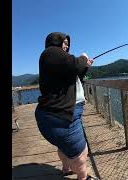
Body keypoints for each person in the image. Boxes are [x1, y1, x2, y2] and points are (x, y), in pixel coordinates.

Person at [35, 32, 96, 180]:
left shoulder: (56, 61)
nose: (66, 46)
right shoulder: (50, 52)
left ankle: (66, 168)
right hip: (65, 116)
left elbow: (76, 74)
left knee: (63, 147)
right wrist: (83, 57)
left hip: (61, 115)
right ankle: (83, 177)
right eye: (64, 42)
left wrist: (85, 66)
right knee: (81, 153)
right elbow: (75, 64)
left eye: (68, 44)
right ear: (54, 42)